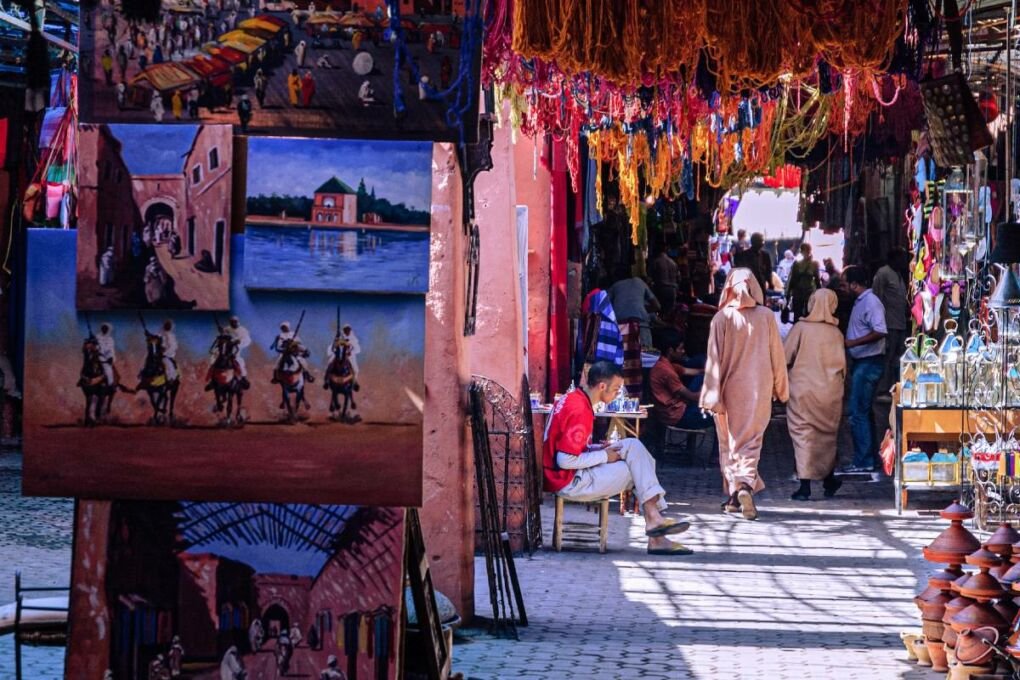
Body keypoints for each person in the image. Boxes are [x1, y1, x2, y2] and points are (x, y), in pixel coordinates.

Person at [542, 361, 694, 555]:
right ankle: (656, 528)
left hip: (571, 474)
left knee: (633, 446)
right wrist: (604, 456)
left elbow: (569, 447)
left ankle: (655, 522)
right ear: (602, 386)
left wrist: (598, 448)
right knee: (636, 470)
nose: (616, 394)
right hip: (568, 482)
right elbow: (565, 460)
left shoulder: (574, 398)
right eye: (615, 389)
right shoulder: (579, 409)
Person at [700, 268, 788, 521]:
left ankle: (733, 496)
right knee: (750, 443)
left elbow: (713, 360)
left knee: (728, 442)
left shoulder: (721, 319)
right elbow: (777, 357)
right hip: (758, 391)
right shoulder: (767, 317)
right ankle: (745, 486)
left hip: (727, 392)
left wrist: (710, 395)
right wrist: (781, 389)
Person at [784, 289, 846, 501]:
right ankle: (828, 478)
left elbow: (785, 357)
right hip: (830, 392)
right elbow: (844, 368)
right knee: (827, 437)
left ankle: (805, 486)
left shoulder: (801, 329)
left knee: (803, 435)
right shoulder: (836, 333)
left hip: (802, 391)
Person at [840, 265, 888, 475]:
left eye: (845, 283)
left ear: (854, 284)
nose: (843, 287)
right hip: (863, 361)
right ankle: (870, 458)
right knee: (864, 411)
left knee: (857, 411)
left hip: (869, 362)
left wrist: (853, 343)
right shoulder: (862, 302)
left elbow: (880, 330)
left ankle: (863, 460)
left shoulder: (871, 302)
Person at [872, 247, 910, 393]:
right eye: (900, 259)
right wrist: (879, 324)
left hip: (900, 323)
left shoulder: (898, 275)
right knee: (887, 358)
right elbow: (877, 298)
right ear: (893, 259)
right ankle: (882, 389)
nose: (903, 262)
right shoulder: (883, 273)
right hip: (888, 325)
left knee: (897, 358)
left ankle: (893, 387)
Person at [608, 267, 660, 348]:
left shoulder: (614, 286)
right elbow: (657, 306)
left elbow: (606, 307)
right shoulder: (639, 282)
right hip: (641, 324)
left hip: (621, 324)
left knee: (623, 356)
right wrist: (642, 309)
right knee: (645, 354)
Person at [786, 243, 819, 321]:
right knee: (798, 315)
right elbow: (792, 280)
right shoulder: (797, 264)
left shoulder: (814, 264)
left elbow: (817, 280)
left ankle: (804, 331)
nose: (806, 252)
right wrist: (788, 294)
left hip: (808, 293)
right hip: (799, 293)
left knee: (807, 315)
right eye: (805, 251)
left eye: (807, 250)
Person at [649, 244, 679, 316]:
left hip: (661, 289)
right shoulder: (673, 263)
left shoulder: (656, 261)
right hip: (672, 289)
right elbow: (678, 278)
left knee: (661, 312)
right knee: (670, 313)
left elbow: (650, 276)